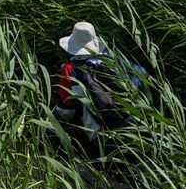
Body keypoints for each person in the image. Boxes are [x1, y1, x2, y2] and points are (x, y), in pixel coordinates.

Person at [53, 21, 145, 156]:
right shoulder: (113, 58)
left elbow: (66, 112)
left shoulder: (70, 70)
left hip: (99, 136)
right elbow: (142, 74)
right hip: (133, 124)